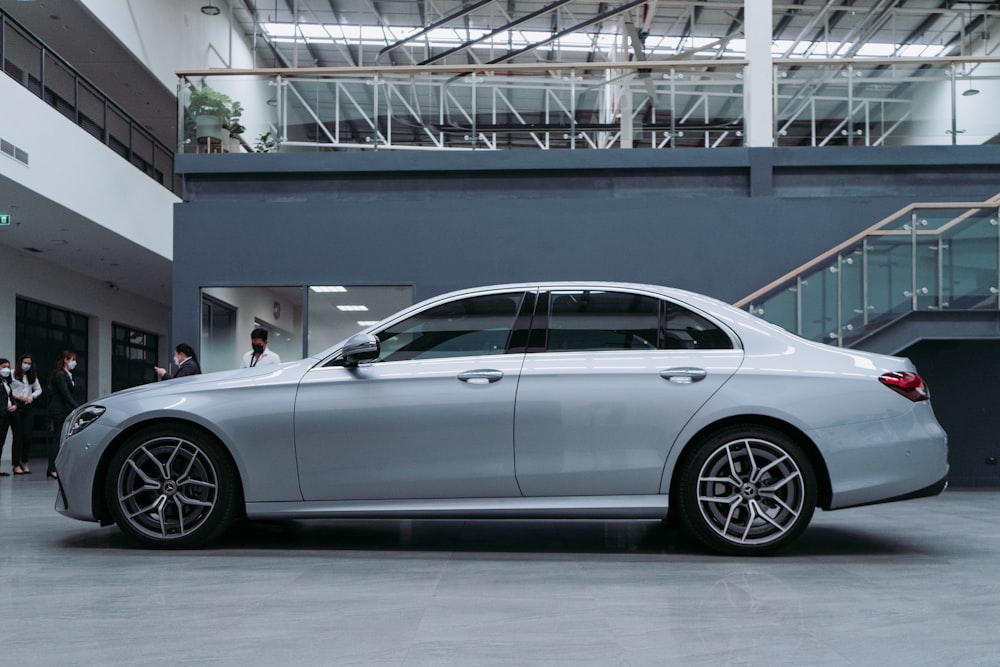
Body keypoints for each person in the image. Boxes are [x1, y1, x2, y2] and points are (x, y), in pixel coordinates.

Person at [47, 350, 80, 479]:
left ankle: (55, 467)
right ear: (66, 360)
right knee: (57, 437)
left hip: (62, 409)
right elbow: (65, 394)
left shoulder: (66, 375)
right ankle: (52, 468)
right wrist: (76, 408)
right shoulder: (60, 375)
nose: (74, 362)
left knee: (61, 438)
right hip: (58, 410)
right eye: (73, 359)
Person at [10, 353, 42, 475]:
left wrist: (32, 397)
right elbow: (7, 388)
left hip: (28, 406)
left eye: (29, 363)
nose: (27, 365)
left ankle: (25, 461)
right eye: (25, 363)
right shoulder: (12, 374)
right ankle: (16, 464)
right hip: (16, 405)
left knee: (27, 436)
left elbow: (39, 389)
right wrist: (15, 396)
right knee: (17, 436)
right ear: (20, 363)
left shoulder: (32, 376)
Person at [0, 358, 15, 477]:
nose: (6, 369)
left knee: (1, 442)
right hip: (1, 414)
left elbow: (10, 397)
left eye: (8, 367)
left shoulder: (6, 382)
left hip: (7, 415)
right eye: (3, 366)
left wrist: (14, 405)